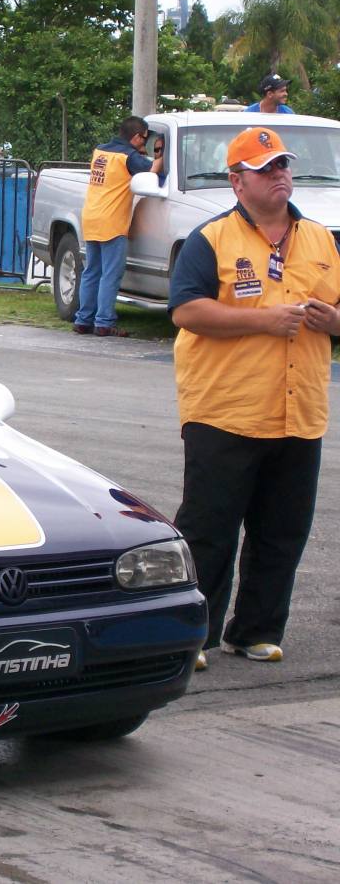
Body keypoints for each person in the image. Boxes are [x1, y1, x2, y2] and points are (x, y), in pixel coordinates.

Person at [167, 127, 340, 672]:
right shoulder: (211, 239)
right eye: (267, 169)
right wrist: (264, 321)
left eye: (284, 166)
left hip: (298, 411)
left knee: (281, 532)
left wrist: (332, 321)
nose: (281, 176)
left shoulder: (319, 238)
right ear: (237, 181)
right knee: (209, 530)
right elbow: (187, 311)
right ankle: (193, 633)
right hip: (226, 409)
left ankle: (256, 631)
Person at [73, 116, 164, 337]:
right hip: (112, 222)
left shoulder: (100, 151)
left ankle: (83, 320)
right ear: (135, 137)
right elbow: (153, 171)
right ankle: (104, 322)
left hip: (91, 217)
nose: (145, 144)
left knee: (91, 271)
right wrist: (162, 155)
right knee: (110, 274)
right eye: (145, 139)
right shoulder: (129, 157)